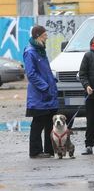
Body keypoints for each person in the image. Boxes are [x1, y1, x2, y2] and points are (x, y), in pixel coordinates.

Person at [23, 25, 58, 158]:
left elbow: (45, 71)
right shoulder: (30, 51)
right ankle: (35, 151)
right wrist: (45, 86)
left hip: (48, 93)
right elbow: (31, 74)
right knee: (38, 123)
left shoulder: (40, 50)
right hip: (39, 95)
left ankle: (50, 150)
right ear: (38, 36)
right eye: (44, 35)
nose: (47, 37)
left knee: (49, 122)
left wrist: (53, 81)